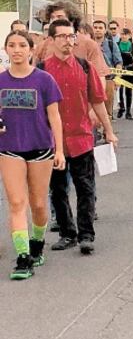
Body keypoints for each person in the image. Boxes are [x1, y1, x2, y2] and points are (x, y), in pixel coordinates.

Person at [41, 19, 118, 256]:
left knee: (85, 187)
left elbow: (97, 101)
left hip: (82, 137)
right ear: (52, 40)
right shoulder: (42, 70)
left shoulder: (85, 67)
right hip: (53, 142)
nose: (67, 41)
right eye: (62, 36)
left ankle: (86, 234)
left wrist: (109, 130)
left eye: (71, 36)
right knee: (58, 189)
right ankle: (67, 233)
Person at [0, 30, 64, 279]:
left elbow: (54, 116)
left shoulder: (44, 80)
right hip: (9, 148)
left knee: (38, 204)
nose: (17, 50)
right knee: (17, 203)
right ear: (6, 50)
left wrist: (59, 150)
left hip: (40, 148)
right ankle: (23, 257)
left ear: (30, 49)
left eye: (22, 45)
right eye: (12, 45)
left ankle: (37, 241)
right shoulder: (1, 81)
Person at [93, 20, 122, 114]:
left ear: (105, 30)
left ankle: (107, 128)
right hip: (92, 80)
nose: (97, 30)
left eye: (100, 28)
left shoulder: (111, 44)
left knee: (107, 109)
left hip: (108, 79)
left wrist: (118, 78)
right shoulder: (89, 44)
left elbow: (118, 63)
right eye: (95, 27)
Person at [116, 28, 133, 119]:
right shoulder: (116, 45)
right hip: (120, 70)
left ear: (129, 35)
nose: (124, 36)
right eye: (122, 34)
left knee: (128, 91)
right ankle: (121, 107)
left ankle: (128, 112)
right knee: (120, 90)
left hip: (130, 69)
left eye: (126, 34)